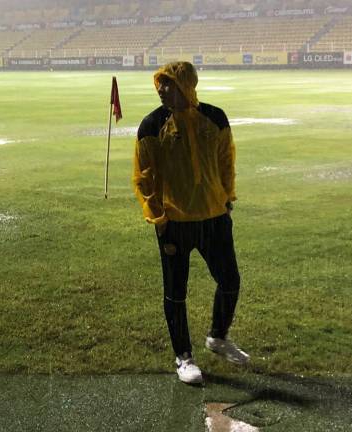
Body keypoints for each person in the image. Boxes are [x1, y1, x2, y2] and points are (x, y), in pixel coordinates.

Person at [132, 61, 249, 384]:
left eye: (168, 83)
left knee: (230, 281)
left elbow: (226, 161)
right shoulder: (152, 125)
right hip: (175, 222)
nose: (161, 89)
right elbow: (143, 177)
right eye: (160, 83)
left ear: (186, 85)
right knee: (175, 292)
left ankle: (218, 337)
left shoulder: (215, 118)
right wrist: (158, 217)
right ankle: (183, 357)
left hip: (214, 217)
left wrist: (227, 199)